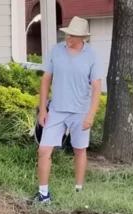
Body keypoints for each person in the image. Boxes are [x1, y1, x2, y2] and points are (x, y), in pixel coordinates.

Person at [32, 16, 103, 204]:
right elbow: (46, 80)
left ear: (82, 38)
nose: (68, 38)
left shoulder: (92, 55)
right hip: (56, 110)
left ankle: (78, 190)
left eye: (73, 35)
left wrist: (91, 114)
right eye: (67, 34)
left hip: (81, 110)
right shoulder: (56, 51)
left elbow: (96, 87)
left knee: (79, 150)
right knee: (43, 150)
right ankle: (43, 194)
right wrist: (42, 110)